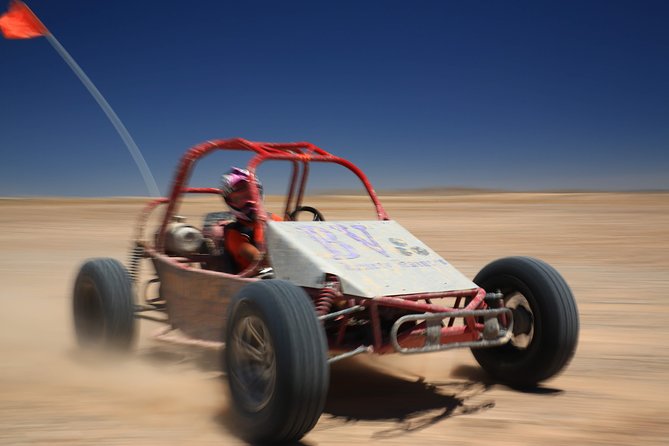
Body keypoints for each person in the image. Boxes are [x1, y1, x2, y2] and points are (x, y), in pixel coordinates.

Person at [219, 167, 282, 274]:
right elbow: (257, 259)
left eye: (252, 196)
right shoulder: (234, 233)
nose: (250, 203)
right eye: (240, 199)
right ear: (230, 202)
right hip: (253, 283)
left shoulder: (275, 219)